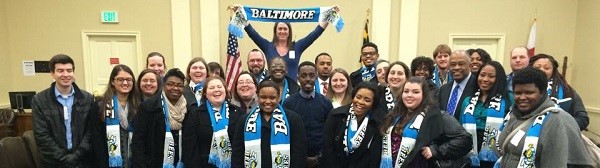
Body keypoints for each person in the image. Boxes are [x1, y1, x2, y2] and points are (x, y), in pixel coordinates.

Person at [495, 67, 593, 167]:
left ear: (542, 92)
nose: (522, 97)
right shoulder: (513, 115)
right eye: (518, 93)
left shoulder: (557, 120)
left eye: (529, 93)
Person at [379, 77, 472, 167]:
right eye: (406, 91)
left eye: (415, 92)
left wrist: (435, 151)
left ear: (424, 95)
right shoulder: (395, 115)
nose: (409, 95)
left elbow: (465, 139)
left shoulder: (436, 116)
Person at [241, 6, 337, 81]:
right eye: (280, 29)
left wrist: (330, 15)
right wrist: (240, 13)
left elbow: (316, 33)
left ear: (289, 31)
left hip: (292, 90)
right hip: (272, 90)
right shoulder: (267, 46)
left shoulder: (297, 47)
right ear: (275, 31)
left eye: (285, 29)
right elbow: (251, 32)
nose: (282, 31)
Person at [32, 54, 95, 167]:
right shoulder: (40, 100)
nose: (66, 74)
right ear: (52, 73)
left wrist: (77, 155)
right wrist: (63, 158)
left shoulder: (87, 98)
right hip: (54, 162)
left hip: (82, 161)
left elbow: (90, 131)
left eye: (69, 70)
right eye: (60, 70)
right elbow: (42, 136)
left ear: (73, 72)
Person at [232, 81, 307, 168]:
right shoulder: (244, 120)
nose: (267, 101)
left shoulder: (293, 119)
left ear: (278, 98)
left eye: (272, 98)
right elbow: (237, 153)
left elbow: (299, 154)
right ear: (257, 97)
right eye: (263, 97)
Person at [457, 61, 512, 167]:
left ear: (498, 79)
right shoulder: (468, 101)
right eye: (482, 75)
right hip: (470, 153)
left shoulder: (508, 99)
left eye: (491, 76)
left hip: (496, 154)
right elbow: (460, 128)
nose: (485, 79)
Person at [182, 76, 245, 167]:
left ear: (225, 91)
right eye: (211, 88)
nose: (216, 90)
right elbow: (190, 149)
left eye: (219, 87)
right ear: (205, 94)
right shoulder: (195, 114)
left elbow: (242, 146)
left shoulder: (238, 113)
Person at [131, 68, 189, 167]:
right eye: (170, 84)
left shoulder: (189, 107)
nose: (175, 88)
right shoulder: (149, 106)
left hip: (181, 162)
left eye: (179, 85)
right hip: (155, 163)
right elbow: (138, 142)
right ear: (163, 85)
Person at [321, 82, 384, 168]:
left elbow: (374, 157)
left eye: (367, 100)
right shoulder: (336, 115)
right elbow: (328, 148)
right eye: (358, 97)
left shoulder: (377, 123)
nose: (361, 102)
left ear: (373, 103)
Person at [283, 61, 334, 168]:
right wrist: (303, 157)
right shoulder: (289, 103)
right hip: (296, 158)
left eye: (311, 75)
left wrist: (319, 156)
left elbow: (329, 132)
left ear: (316, 77)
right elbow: (286, 133)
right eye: (303, 76)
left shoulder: (325, 102)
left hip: (321, 159)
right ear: (298, 78)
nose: (308, 79)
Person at [91, 64, 140, 168]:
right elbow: (97, 139)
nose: (125, 83)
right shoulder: (100, 106)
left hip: (134, 161)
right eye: (120, 79)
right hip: (109, 162)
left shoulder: (139, 106)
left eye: (129, 79)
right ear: (113, 82)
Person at [530, 54, 589, 130]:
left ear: (553, 71)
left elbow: (583, 119)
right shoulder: (522, 89)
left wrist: (559, 127)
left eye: (547, 68)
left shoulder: (567, 90)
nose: (542, 70)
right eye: (537, 67)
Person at [438, 50, 477, 119]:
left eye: (461, 64)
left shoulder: (477, 86)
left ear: (470, 66)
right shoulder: (444, 89)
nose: (456, 68)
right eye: (453, 64)